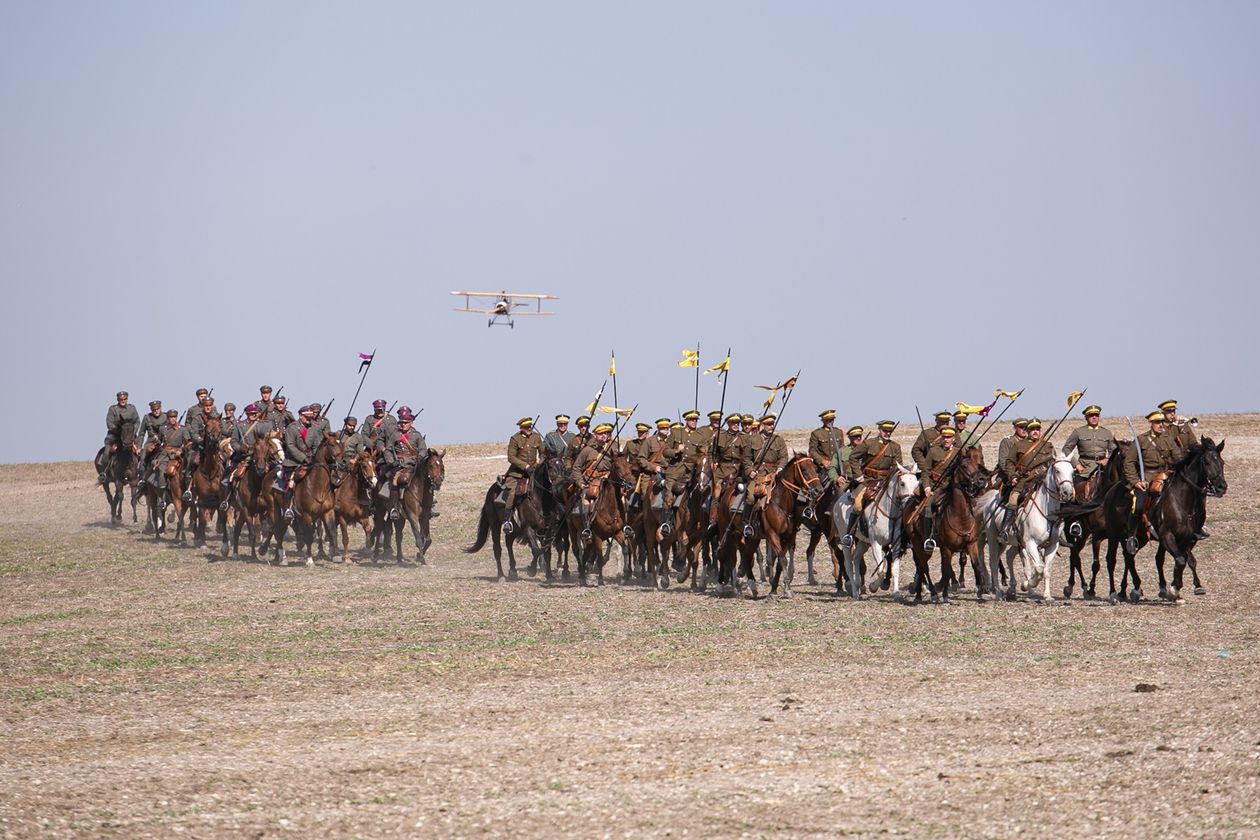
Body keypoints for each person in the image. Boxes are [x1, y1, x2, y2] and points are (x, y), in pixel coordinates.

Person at [1122, 410, 1180, 551]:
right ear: (1151, 423)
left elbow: (1178, 457)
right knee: (1137, 505)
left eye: (1162, 422)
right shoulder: (1141, 440)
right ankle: (1132, 536)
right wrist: (1135, 481)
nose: (1160, 425)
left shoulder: (1168, 439)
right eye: (1157, 422)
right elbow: (1129, 463)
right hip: (1147, 478)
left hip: (1166, 476)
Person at [841, 420, 904, 547]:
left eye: (889, 431)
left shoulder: (895, 447)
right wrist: (858, 475)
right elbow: (853, 457)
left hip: (886, 481)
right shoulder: (869, 444)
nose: (887, 433)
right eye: (885, 430)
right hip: (868, 480)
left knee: (901, 503)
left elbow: (897, 466)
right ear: (879, 430)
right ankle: (850, 534)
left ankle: (902, 537)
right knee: (858, 504)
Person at [742, 413, 787, 536]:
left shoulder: (778, 440)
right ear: (762, 425)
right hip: (758, 475)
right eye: (768, 424)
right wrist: (750, 471)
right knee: (750, 497)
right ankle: (747, 524)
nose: (771, 426)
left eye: (772, 424)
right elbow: (746, 459)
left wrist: (780, 469)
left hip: (774, 475)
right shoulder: (753, 440)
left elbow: (783, 457)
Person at [1000, 419, 1055, 515]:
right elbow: (1010, 463)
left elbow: (1054, 461)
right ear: (1027, 431)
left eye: (1037, 429)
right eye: (1032, 429)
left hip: (1044, 480)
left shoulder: (1048, 445)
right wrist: (1012, 476)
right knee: (1013, 498)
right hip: (1024, 481)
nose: (1035, 431)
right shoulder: (1018, 445)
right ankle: (1007, 523)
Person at [383, 407, 428, 520]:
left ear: (411, 423)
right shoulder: (395, 435)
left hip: (414, 465)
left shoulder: (416, 435)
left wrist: (419, 457)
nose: (403, 425)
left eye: (406, 423)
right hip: (399, 465)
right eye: (401, 422)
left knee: (427, 479)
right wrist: (392, 462)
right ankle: (394, 508)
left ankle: (429, 506)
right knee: (394, 481)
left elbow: (423, 449)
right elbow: (388, 450)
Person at [276, 406, 318, 519]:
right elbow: (290, 446)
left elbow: (316, 445)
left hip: (310, 461)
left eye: (310, 417)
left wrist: (314, 457)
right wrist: (303, 458)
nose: (309, 419)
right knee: (291, 483)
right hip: (293, 462)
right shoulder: (292, 427)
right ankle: (288, 508)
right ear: (300, 416)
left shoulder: (314, 428)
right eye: (307, 417)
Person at [504, 417, 544, 523]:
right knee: (513, 493)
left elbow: (543, 453)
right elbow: (511, 457)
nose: (529, 428)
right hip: (517, 474)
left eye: (530, 426)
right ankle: (507, 520)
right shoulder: (515, 439)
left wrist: (539, 464)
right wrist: (525, 466)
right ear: (521, 428)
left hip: (534, 472)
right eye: (526, 427)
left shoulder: (536, 437)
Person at [1061, 405, 1116, 479]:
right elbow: (1066, 449)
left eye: (1096, 415)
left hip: (1103, 469)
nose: (1094, 417)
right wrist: (1076, 464)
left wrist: (1107, 460)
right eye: (1091, 415)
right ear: (1086, 417)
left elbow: (1113, 451)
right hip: (1084, 469)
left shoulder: (1107, 433)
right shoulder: (1078, 432)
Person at [100, 391, 140, 484]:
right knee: (106, 453)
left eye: (125, 399)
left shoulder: (132, 408)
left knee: (140, 453)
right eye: (121, 399)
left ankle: (140, 474)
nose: (123, 401)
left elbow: (137, 421)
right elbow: (109, 423)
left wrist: (132, 433)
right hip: (115, 437)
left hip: (129, 437)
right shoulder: (113, 409)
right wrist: (119, 431)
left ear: (127, 399)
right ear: (118, 399)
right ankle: (104, 473)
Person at [149, 410, 191, 492]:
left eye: (174, 417)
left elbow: (188, 443)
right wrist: (156, 440)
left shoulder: (183, 429)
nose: (173, 419)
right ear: (168, 418)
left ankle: (188, 490)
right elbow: (159, 442)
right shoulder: (163, 428)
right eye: (171, 417)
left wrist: (181, 450)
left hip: (178, 454)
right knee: (160, 470)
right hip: (165, 454)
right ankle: (162, 492)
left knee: (187, 470)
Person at [137, 400, 166, 487]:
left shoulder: (166, 416)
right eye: (154, 410)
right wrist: (139, 447)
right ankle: (142, 480)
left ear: (160, 408)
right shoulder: (147, 418)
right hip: (151, 442)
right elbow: (141, 434)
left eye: (157, 409)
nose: (156, 411)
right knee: (143, 458)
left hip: (164, 441)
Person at [808, 409, 842, 483]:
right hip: (821, 469)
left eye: (832, 420)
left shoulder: (839, 432)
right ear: (823, 421)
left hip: (837, 467)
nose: (830, 422)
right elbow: (812, 451)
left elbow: (842, 449)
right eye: (827, 420)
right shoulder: (816, 433)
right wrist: (822, 461)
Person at [911, 411, 951, 476]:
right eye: (942, 421)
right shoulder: (927, 434)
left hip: (949, 470)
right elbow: (916, 450)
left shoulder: (954, 434)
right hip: (931, 471)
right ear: (936, 421)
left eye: (946, 421)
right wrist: (925, 466)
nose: (944, 423)